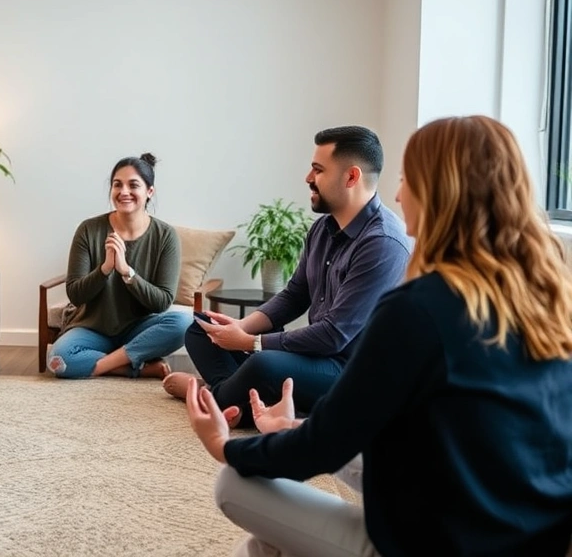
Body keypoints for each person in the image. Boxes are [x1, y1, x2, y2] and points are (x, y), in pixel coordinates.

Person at [185, 115, 572, 556]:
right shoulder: (549, 303)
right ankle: (227, 396)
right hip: (527, 535)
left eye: (408, 180)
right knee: (266, 541)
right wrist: (290, 428)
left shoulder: (417, 303)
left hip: (441, 542)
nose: (398, 194)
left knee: (235, 483)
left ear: (440, 194)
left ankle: (217, 400)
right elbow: (442, 440)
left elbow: (326, 442)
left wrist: (223, 446)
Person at [165, 126, 410, 427]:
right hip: (318, 358)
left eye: (318, 170)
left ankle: (213, 397)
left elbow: (334, 335)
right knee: (201, 329)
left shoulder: (383, 243)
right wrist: (239, 329)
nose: (308, 178)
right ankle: (236, 401)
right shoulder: (322, 229)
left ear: (351, 177)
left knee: (263, 362)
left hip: (350, 372)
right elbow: (295, 294)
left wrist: (253, 342)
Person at [47, 153, 193, 379]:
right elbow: (75, 295)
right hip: (92, 328)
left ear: (149, 192)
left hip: (139, 330)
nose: (124, 192)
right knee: (58, 361)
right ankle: (136, 366)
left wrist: (127, 272)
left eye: (133, 185)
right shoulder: (88, 229)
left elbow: (163, 301)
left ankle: (105, 361)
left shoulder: (166, 236)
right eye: (117, 185)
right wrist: (105, 269)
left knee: (185, 323)